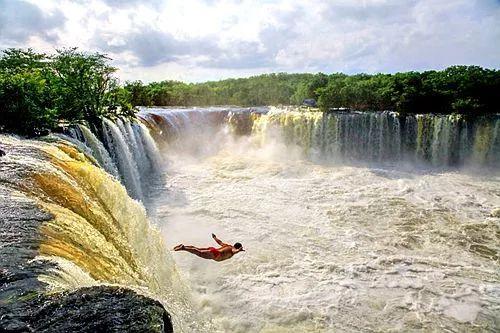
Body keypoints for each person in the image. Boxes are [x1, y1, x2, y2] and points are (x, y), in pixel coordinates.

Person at [174, 233, 244, 262]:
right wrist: (239, 250)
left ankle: (179, 248)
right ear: (237, 247)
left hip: (213, 249)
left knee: (196, 248)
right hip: (216, 254)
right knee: (199, 252)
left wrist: (214, 237)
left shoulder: (227, 245)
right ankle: (183, 248)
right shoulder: (233, 249)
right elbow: (234, 251)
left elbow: (220, 242)